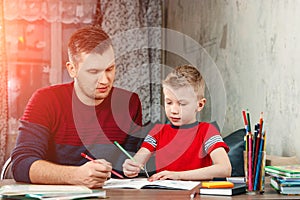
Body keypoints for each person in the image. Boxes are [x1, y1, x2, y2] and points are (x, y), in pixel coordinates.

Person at [11, 25, 142, 188]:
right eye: (93, 72)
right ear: (72, 69)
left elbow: (131, 164)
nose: (105, 80)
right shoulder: (45, 100)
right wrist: (75, 175)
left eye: (110, 69)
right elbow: (21, 164)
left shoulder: (130, 103)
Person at [122, 65, 231, 181]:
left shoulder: (207, 131)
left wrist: (178, 175)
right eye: (169, 102)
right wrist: (131, 166)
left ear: (200, 105)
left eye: (182, 104)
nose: (173, 110)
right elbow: (139, 159)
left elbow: (225, 168)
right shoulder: (157, 132)